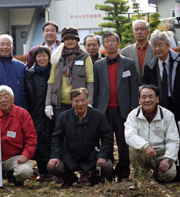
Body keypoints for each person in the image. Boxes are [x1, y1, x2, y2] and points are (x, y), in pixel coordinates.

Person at [93, 31, 138, 182]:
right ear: (103, 45)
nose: (110, 44)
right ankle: (109, 171)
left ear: (119, 44)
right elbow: (96, 89)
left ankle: (124, 171)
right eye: (107, 41)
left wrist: (133, 110)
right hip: (103, 110)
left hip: (123, 110)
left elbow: (133, 88)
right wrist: (95, 110)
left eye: (113, 41)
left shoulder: (129, 63)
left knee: (123, 142)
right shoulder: (98, 65)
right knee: (106, 141)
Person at [47, 88, 113, 186]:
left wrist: (102, 155)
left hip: (92, 156)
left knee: (107, 165)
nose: (80, 104)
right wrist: (55, 156)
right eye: (76, 101)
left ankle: (94, 179)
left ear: (88, 101)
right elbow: (56, 138)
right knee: (52, 166)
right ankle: (69, 178)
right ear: (72, 102)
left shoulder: (98, 115)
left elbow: (107, 137)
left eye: (83, 100)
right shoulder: (64, 116)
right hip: (71, 156)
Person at [124, 85, 179, 182]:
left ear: (157, 99)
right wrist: (145, 146)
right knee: (133, 149)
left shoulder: (168, 115)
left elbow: (173, 140)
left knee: (170, 174)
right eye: (144, 97)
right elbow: (129, 135)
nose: (147, 100)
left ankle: (157, 175)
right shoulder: (133, 115)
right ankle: (140, 175)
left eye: (150, 96)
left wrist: (168, 159)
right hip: (142, 153)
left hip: (160, 155)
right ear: (139, 100)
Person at [45, 27, 94, 124]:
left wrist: (89, 102)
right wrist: (48, 104)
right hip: (59, 104)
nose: (70, 41)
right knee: (61, 133)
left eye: (73, 38)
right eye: (67, 39)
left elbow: (90, 80)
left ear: (77, 40)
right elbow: (51, 81)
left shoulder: (85, 57)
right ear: (63, 40)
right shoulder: (57, 57)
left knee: (78, 132)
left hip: (79, 104)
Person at [25, 46, 54, 181]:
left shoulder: (54, 72)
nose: (42, 58)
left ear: (49, 57)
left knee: (52, 139)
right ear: (35, 58)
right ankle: (42, 172)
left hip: (52, 112)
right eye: (39, 56)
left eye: (44, 56)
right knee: (39, 140)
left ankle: (53, 171)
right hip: (35, 113)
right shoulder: (30, 74)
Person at [143, 29, 180, 123]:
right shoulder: (149, 67)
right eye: (154, 46)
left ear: (169, 45)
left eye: (160, 45)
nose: (157, 49)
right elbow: (146, 86)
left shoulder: (178, 62)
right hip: (159, 107)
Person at [121, 20, 154, 84]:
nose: (139, 32)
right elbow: (124, 73)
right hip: (133, 89)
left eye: (142, 29)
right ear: (133, 32)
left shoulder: (155, 50)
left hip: (152, 89)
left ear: (148, 32)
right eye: (136, 29)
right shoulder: (125, 52)